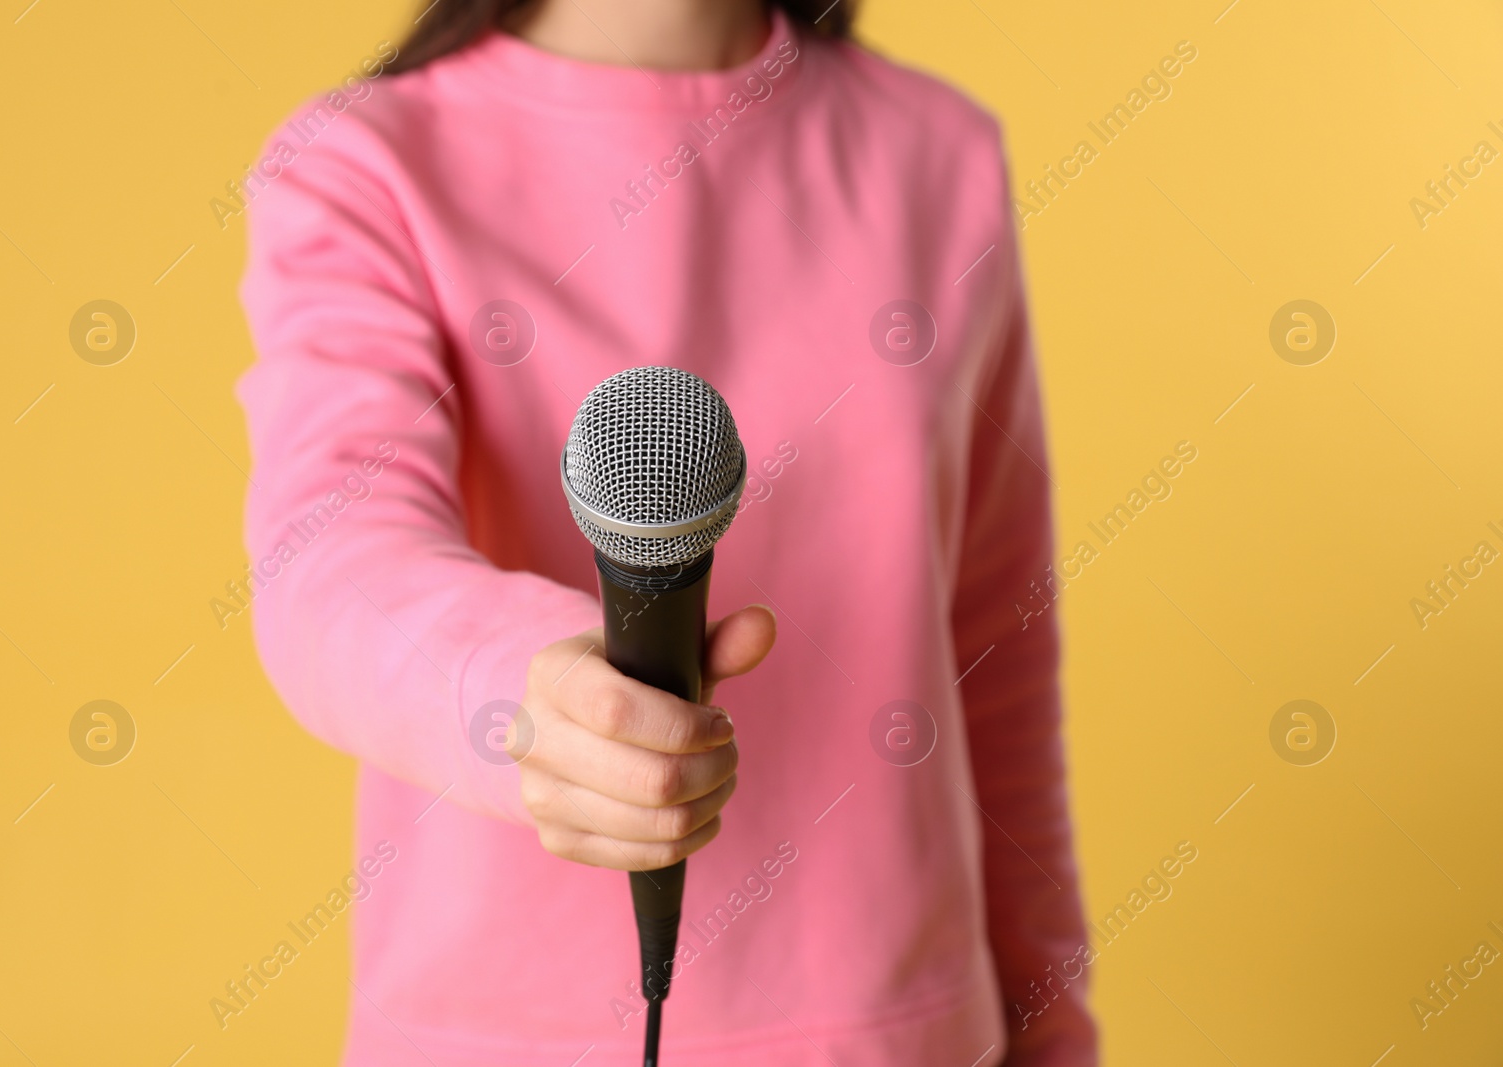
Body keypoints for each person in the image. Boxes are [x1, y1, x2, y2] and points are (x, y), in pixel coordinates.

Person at [235, 0, 1097, 1063]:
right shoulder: (365, 165)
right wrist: (519, 693)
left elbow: (996, 655)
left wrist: (1050, 1026)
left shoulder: (937, 153)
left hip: (898, 1030)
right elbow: (329, 551)